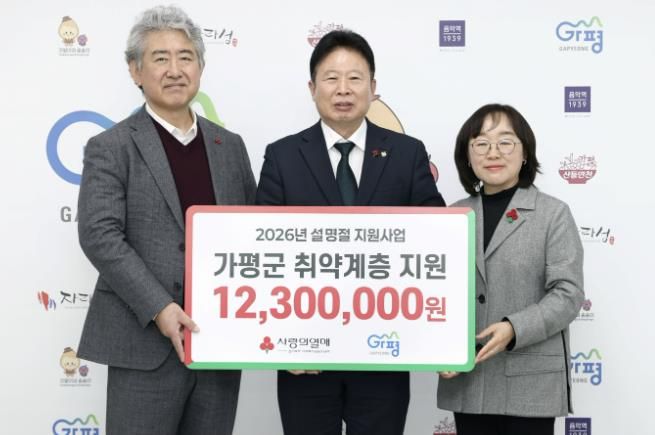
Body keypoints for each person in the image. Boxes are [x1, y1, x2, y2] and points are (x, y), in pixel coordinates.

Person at [76, 5, 256, 434]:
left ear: (200, 67)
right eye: (160, 58)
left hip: (217, 346)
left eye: (185, 57)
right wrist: (159, 307)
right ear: (135, 71)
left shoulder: (230, 147)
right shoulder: (111, 146)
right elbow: (99, 234)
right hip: (143, 346)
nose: (175, 70)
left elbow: (253, 233)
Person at [256, 29, 445, 435]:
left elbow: (439, 241)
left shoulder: (407, 153)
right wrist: (280, 340)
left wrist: (441, 337)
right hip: (304, 355)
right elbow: (260, 255)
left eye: (355, 78)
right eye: (331, 78)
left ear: (373, 88)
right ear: (312, 88)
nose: (343, 89)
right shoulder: (282, 156)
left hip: (385, 350)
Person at [437, 104, 584, 435]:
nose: (493, 152)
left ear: (525, 152)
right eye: (481, 143)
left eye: (505, 142)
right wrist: (442, 350)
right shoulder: (453, 216)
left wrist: (513, 328)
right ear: (467, 156)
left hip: (530, 385)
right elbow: (437, 293)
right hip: (468, 380)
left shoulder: (552, 214)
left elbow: (568, 294)